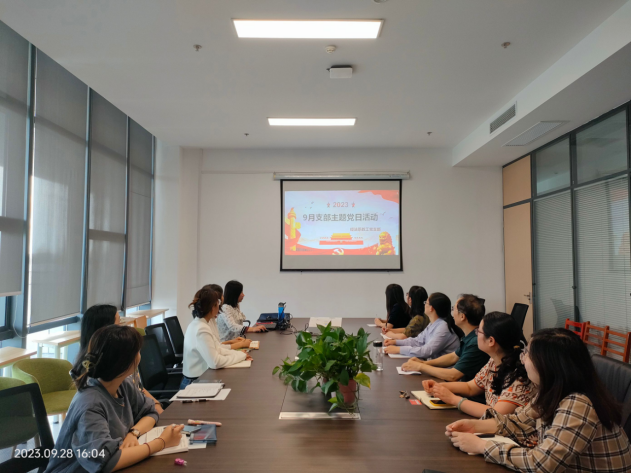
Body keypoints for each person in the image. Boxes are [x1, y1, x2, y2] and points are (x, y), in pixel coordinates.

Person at [446, 328, 631, 472]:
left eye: (527, 354)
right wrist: (475, 426)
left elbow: (542, 464)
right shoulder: (550, 391)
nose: (522, 359)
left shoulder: (578, 403)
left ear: (547, 365)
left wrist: (482, 446)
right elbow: (519, 422)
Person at [46, 326, 184, 473]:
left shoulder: (122, 384)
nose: (140, 355)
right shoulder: (90, 404)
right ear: (124, 362)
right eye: (137, 351)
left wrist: (134, 433)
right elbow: (106, 462)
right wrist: (161, 442)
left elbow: (150, 412)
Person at [423, 312, 534, 417]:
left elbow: (496, 414)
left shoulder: (518, 374)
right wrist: (439, 387)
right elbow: (470, 387)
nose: (476, 335)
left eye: (478, 332)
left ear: (491, 341)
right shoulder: (494, 361)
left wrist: (453, 399)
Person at [72, 304, 164, 415]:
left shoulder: (113, 363)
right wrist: (154, 409)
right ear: (107, 330)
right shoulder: (100, 372)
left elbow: (139, 389)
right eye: (119, 322)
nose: (123, 326)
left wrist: (155, 405)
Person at [400, 294, 488, 383]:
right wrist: (423, 363)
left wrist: (420, 366)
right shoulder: (470, 336)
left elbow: (453, 375)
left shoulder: (476, 342)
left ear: (462, 316)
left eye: (454, 309)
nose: (452, 313)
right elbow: (453, 357)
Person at [181, 286, 252, 389]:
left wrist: (240, 354)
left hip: (200, 378)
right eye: (218, 303)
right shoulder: (201, 329)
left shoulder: (200, 324)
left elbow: (217, 348)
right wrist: (241, 356)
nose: (220, 305)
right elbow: (215, 362)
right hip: (194, 383)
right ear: (212, 307)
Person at [384, 292, 461, 358]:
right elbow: (417, 341)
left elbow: (426, 351)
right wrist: (395, 342)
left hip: (444, 369)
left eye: (426, 303)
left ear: (431, 308)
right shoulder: (433, 324)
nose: (424, 305)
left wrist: (399, 349)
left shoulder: (443, 327)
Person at [200, 284, 252, 350]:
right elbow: (216, 352)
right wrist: (240, 345)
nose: (223, 298)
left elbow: (217, 345)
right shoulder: (203, 327)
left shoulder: (211, 320)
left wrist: (232, 342)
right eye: (221, 297)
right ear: (213, 304)